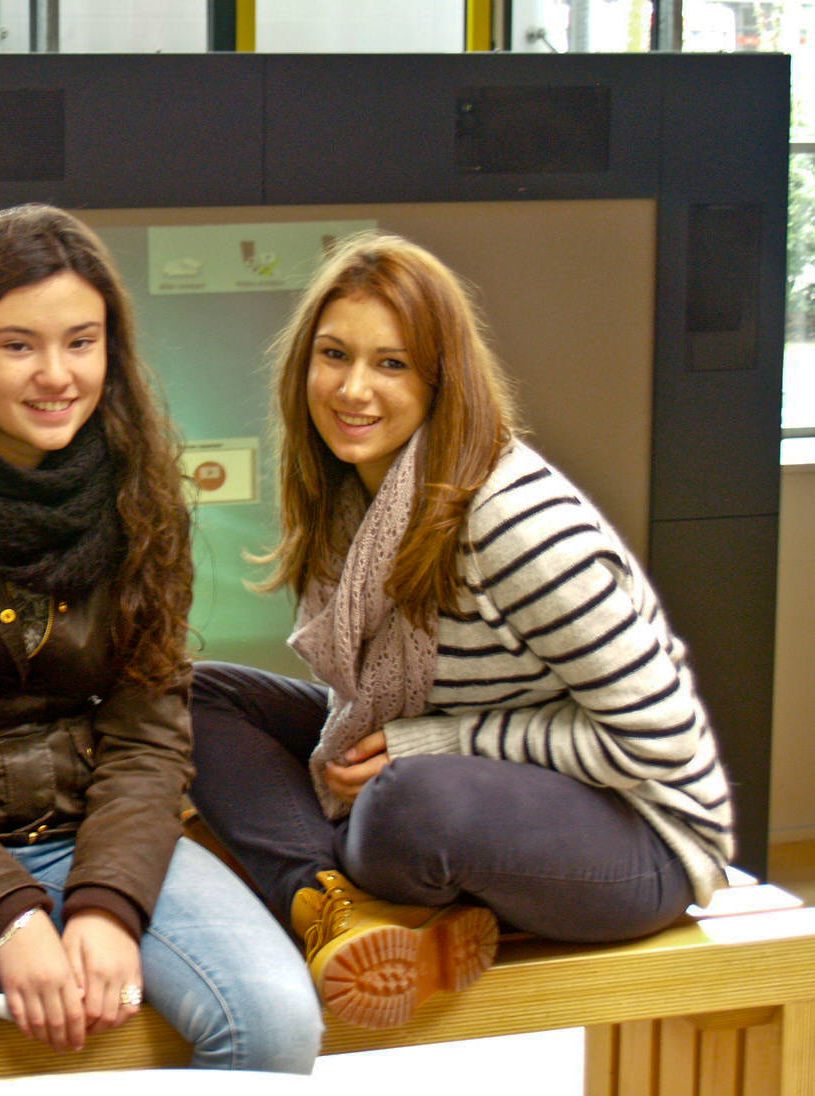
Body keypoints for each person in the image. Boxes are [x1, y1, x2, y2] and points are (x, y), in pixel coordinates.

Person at [0, 203, 323, 1088]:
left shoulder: (141, 494)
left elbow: (147, 738)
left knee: (277, 1022)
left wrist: (107, 901)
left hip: (83, 829)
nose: (55, 375)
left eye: (80, 343)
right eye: (18, 345)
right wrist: (11, 912)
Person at [189, 232, 734, 1031]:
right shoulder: (351, 499)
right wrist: (401, 749)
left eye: (391, 363)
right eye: (334, 355)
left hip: (642, 835)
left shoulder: (513, 525)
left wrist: (433, 744)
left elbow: (660, 743)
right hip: (474, 784)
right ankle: (333, 908)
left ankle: (308, 867)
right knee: (194, 699)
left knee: (405, 811)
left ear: (441, 381)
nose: (351, 389)